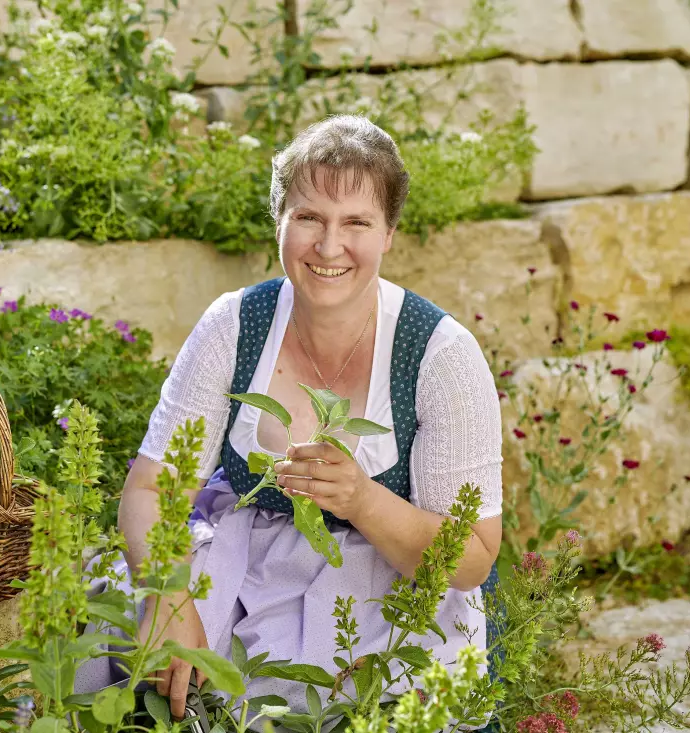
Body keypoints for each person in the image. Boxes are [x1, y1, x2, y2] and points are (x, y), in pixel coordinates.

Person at [75, 114, 504, 723]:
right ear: (279, 221)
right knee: (125, 653)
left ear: (389, 235)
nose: (329, 247)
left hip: (383, 592)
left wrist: (362, 500)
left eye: (357, 222)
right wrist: (170, 599)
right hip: (239, 561)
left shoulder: (439, 353)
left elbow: (473, 558)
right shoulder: (235, 323)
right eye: (308, 218)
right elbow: (151, 487)